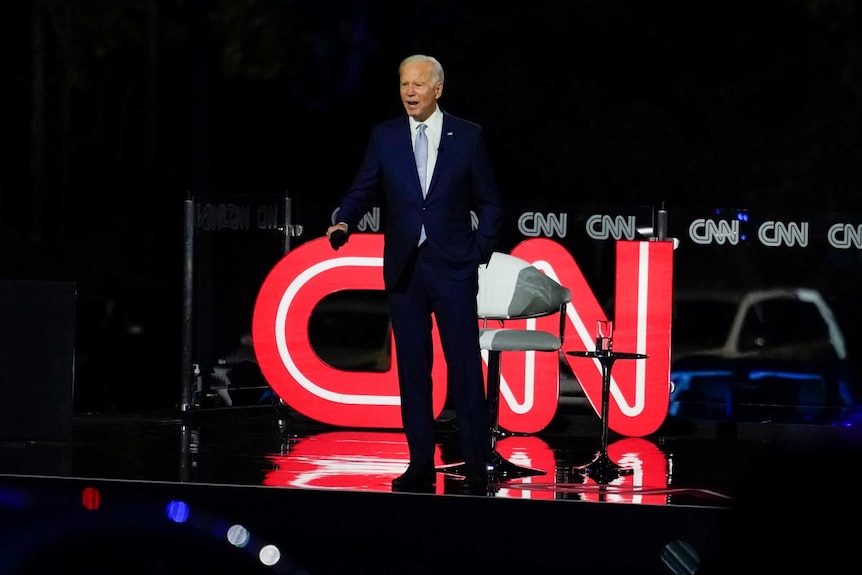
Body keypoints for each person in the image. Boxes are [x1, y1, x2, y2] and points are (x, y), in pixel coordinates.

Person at [326, 54, 504, 492]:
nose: (409, 92)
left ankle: (477, 464)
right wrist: (344, 219)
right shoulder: (384, 137)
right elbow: (363, 187)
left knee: (464, 368)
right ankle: (420, 464)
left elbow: (491, 204)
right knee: (413, 371)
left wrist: (477, 251)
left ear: (437, 89)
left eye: (418, 84)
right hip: (405, 269)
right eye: (404, 83)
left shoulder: (468, 137)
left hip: (454, 267)